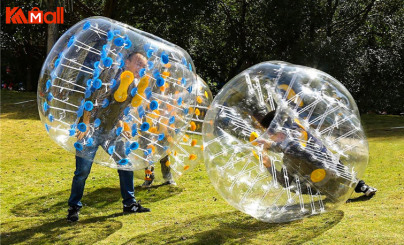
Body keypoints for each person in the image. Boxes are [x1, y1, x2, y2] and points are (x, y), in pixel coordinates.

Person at [67, 52, 150, 222]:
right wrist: (86, 121)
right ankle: (74, 207)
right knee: (82, 171)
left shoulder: (135, 85)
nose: (142, 68)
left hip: (111, 130)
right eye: (138, 64)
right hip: (91, 129)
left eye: (144, 66)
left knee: (125, 164)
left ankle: (130, 204)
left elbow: (120, 108)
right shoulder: (110, 74)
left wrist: (121, 124)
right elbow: (92, 96)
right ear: (127, 62)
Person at [256, 109, 377, 197]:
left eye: (270, 132)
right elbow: (283, 145)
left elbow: (285, 180)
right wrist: (269, 144)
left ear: (279, 130)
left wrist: (269, 165)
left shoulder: (291, 150)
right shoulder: (297, 132)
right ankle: (361, 186)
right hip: (327, 162)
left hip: (321, 173)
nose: (269, 136)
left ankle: (335, 190)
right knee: (340, 171)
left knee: (297, 183)